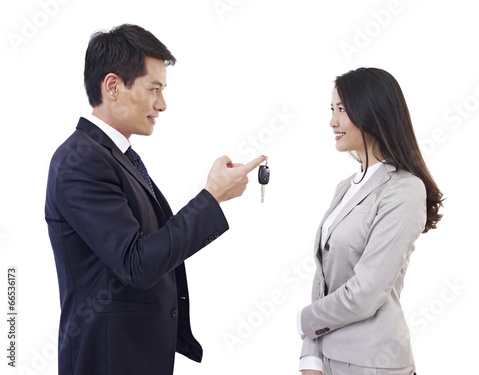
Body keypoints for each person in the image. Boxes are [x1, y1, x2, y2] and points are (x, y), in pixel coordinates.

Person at [45, 24, 265, 375]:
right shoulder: (82, 161)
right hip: (107, 360)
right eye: (154, 89)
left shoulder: (113, 155)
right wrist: (212, 197)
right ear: (113, 86)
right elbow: (137, 263)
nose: (162, 104)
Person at [298, 67, 444, 375]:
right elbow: (323, 278)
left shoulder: (404, 189)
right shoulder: (345, 187)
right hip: (329, 362)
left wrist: (306, 320)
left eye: (342, 109)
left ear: (371, 111)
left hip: (373, 364)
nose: (332, 121)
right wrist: (310, 358)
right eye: (332, 109)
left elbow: (366, 292)